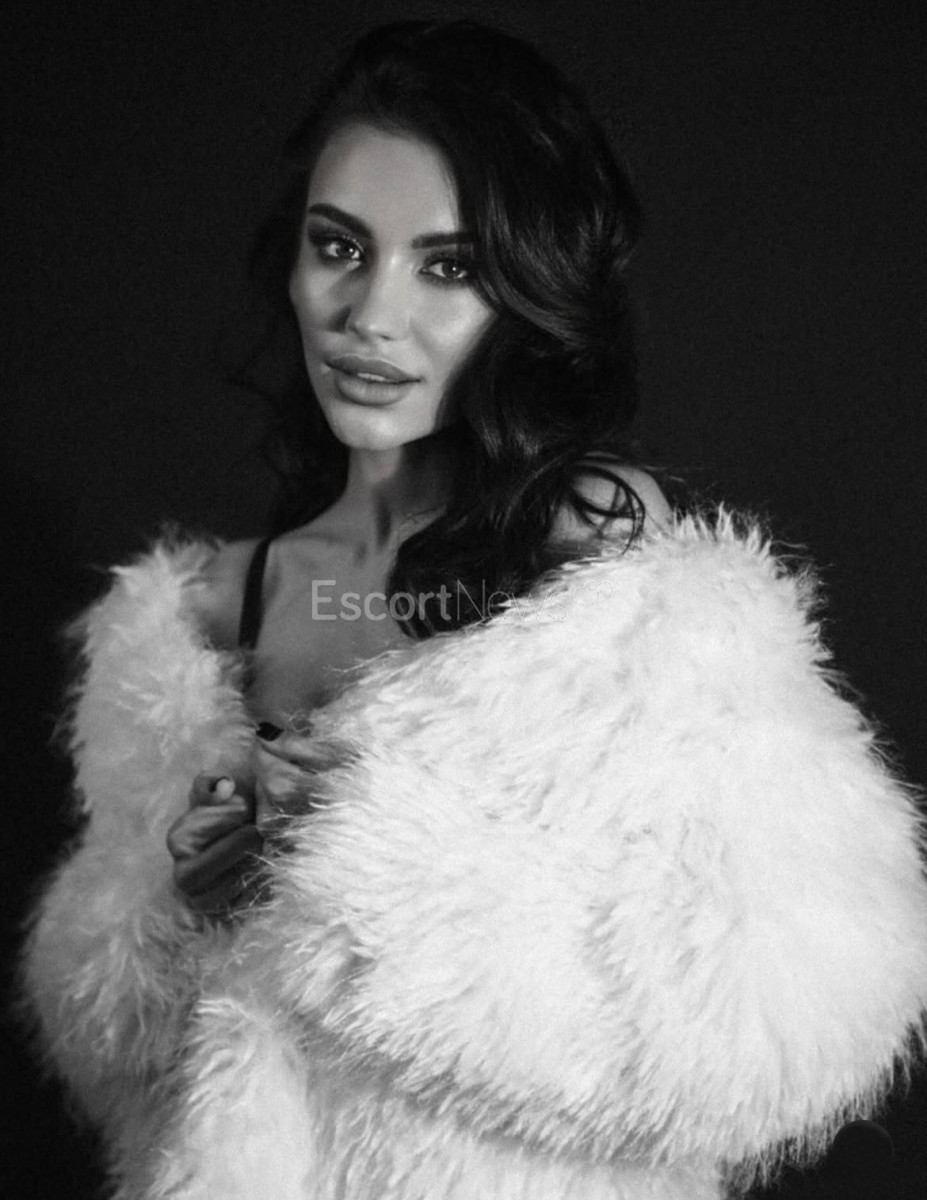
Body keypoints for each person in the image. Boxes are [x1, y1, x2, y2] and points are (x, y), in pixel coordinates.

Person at [18, 18, 927, 1200]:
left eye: (447, 267)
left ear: (525, 296)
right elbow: (108, 1051)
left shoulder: (597, 547)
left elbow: (784, 1005)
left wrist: (360, 864)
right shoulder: (206, 609)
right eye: (339, 247)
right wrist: (184, 908)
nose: (370, 313)